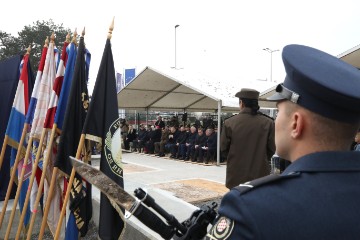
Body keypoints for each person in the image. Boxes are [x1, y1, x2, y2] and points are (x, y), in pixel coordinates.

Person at [207, 44, 360, 239]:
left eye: (279, 112)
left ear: (296, 123)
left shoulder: (251, 208)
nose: (275, 120)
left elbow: (223, 149)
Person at [221, 88, 275, 189]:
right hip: (260, 174)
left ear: (241, 103)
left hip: (236, 174)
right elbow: (272, 148)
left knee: (237, 202)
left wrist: (235, 159)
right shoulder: (268, 123)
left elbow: (223, 149)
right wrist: (260, 159)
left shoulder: (229, 123)